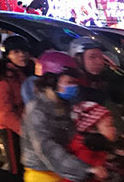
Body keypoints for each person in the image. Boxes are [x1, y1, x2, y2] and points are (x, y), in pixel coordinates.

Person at [21, 51, 108, 182]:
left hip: (63, 172)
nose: (73, 86)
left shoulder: (63, 106)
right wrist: (83, 169)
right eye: (69, 81)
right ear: (52, 80)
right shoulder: (37, 111)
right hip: (42, 175)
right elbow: (48, 148)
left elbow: (72, 135)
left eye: (74, 82)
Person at [0, 35, 34, 176]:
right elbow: (5, 113)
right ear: (7, 55)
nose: (22, 55)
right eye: (16, 52)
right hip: (11, 128)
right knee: (16, 170)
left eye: (24, 51)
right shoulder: (3, 77)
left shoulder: (26, 70)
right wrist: (25, 131)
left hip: (27, 126)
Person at [63, 102, 117, 182]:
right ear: (92, 130)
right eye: (109, 125)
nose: (114, 129)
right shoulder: (83, 153)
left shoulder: (96, 148)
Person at [68, 37, 108, 104]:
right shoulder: (71, 89)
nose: (100, 62)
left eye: (101, 57)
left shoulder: (101, 84)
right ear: (78, 60)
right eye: (92, 57)